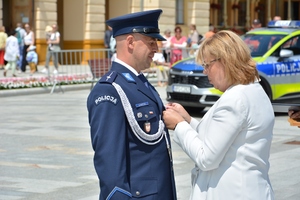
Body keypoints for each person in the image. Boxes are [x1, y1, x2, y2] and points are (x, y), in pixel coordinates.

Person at [163, 30, 274, 200]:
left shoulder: (235, 99)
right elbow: (220, 137)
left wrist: (179, 125)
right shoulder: (251, 89)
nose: (205, 72)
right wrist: (188, 119)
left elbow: (206, 158)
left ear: (226, 61)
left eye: (207, 65)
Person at [87, 9, 177, 200]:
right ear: (130, 42)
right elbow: (110, 161)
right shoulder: (109, 90)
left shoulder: (139, 82)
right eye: (151, 42)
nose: (156, 49)